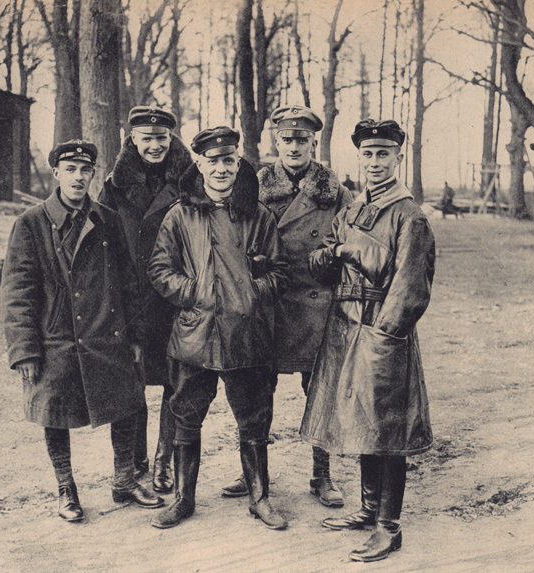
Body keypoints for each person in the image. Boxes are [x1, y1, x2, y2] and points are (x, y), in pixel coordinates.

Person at [2, 140, 164, 523]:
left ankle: (125, 479)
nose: (78, 177)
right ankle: (66, 487)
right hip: (55, 339)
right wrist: (24, 350)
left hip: (106, 335)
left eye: (85, 170)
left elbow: (128, 284)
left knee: (127, 404)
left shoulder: (106, 219)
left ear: (93, 174)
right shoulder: (30, 224)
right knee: (54, 412)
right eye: (70, 169)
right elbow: (17, 294)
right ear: (56, 173)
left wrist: (136, 337)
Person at [302, 120, 435, 562]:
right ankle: (365, 509)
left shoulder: (409, 215)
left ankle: (388, 526)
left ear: (399, 157)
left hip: (380, 331)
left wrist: (385, 335)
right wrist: (336, 252)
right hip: (344, 326)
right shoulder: (355, 209)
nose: (375, 162)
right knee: (361, 421)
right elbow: (320, 264)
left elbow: (411, 288)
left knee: (387, 429)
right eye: (368, 154)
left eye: (384, 154)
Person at [147, 126, 290, 530]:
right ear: (199, 164)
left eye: (229, 160)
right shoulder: (180, 214)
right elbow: (159, 269)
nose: (222, 169)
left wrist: (251, 292)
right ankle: (182, 499)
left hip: (247, 335)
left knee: (254, 417)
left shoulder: (259, 215)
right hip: (195, 334)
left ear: (238, 162)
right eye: (213, 162)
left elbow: (281, 271)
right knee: (185, 415)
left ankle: (260, 498)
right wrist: (194, 292)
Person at [220, 105, 353, 508]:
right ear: (275, 142)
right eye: (287, 139)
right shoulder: (251, 186)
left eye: (302, 140)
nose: (294, 146)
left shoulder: (336, 191)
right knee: (257, 392)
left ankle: (322, 474)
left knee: (320, 391)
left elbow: (350, 241)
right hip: (267, 304)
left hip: (317, 304)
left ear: (315, 143)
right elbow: (232, 238)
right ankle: (254, 473)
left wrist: (331, 261)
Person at [98, 106, 193, 495]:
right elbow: (104, 245)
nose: (154, 146)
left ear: (172, 138)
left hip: (175, 299)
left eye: (161, 138)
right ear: (131, 138)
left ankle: (163, 462)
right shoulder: (114, 185)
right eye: (146, 138)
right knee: (130, 384)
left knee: (176, 383)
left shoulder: (191, 179)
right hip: (132, 300)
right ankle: (134, 461)